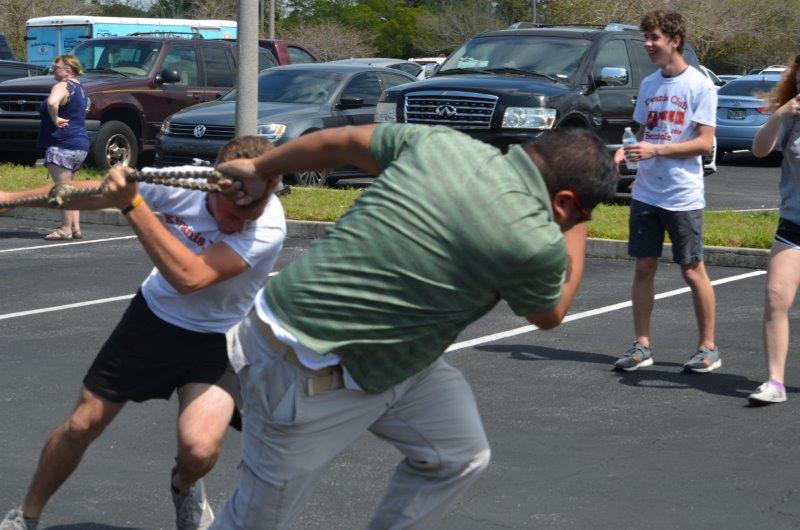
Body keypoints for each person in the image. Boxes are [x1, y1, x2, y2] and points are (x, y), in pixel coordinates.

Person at [210, 122, 617, 529]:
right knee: (254, 523)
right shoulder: (535, 243)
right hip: (302, 364)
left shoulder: (441, 145)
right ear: (564, 202)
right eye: (580, 214)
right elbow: (551, 314)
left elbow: (341, 141)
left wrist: (261, 168)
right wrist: (579, 224)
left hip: (393, 360)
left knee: (456, 454)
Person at [0, 136, 287, 530]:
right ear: (211, 185)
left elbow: (190, 277)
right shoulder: (183, 183)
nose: (237, 225)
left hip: (219, 337)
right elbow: (94, 194)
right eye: (231, 213)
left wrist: (132, 204)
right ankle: (26, 515)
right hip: (153, 319)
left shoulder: (269, 225)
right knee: (82, 425)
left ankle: (184, 485)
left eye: (247, 216)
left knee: (199, 450)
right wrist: (13, 198)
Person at [612, 10, 720, 373]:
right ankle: (641, 346)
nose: (647, 44)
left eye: (654, 37)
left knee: (692, 271)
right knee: (644, 267)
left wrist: (656, 150)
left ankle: (708, 348)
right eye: (645, 37)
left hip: (682, 194)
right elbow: (643, 132)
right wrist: (624, 150)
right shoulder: (649, 85)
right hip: (646, 192)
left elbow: (704, 143)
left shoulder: (699, 86)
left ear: (675, 41)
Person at [747, 54, 800, 404]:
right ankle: (775, 382)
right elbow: (758, 149)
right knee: (775, 298)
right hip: (794, 225)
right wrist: (779, 114)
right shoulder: (790, 118)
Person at [39, 54, 90, 241]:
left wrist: (55, 118)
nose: (52, 69)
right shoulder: (81, 88)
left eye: (56, 66)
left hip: (62, 144)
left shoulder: (62, 86)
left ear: (68, 70)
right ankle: (75, 227)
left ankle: (65, 229)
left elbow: (52, 102)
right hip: (80, 144)